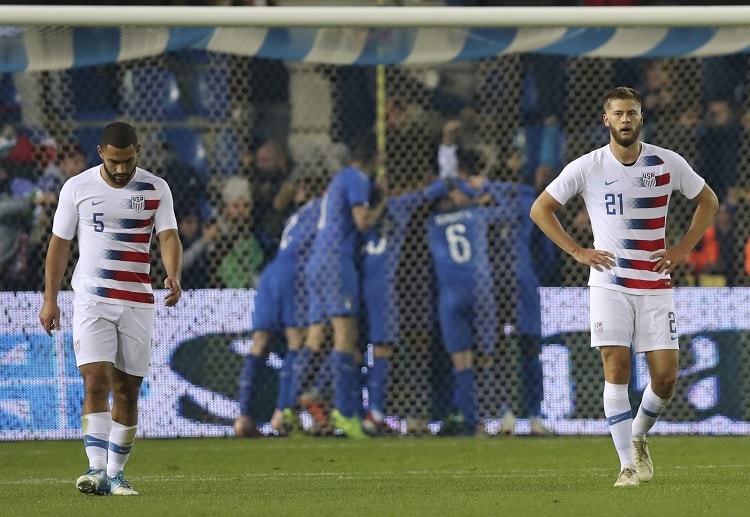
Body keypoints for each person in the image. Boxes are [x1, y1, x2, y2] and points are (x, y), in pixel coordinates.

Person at [529, 87, 718, 487]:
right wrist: (578, 251)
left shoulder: (667, 162)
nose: (625, 119)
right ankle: (627, 466)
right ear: (607, 120)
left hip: (655, 283)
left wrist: (683, 248)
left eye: (631, 112)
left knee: (665, 377)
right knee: (616, 367)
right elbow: (540, 209)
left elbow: (709, 200)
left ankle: (637, 435)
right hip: (609, 283)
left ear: (641, 117)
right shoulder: (588, 166)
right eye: (618, 113)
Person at [38, 121, 183, 496]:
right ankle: (96, 469)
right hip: (92, 300)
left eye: (128, 161)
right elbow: (59, 244)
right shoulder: (77, 188)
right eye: (114, 161)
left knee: (127, 391)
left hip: (136, 301)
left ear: (138, 152)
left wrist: (173, 273)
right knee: (95, 382)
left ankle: (116, 474)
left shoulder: (156, 188)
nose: (121, 169)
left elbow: (168, 235)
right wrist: (50, 298)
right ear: (101, 152)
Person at [299, 133, 387, 438]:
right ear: (374, 161)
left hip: (319, 260)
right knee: (345, 336)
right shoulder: (358, 179)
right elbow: (362, 221)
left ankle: (287, 406)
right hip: (338, 260)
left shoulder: (340, 179)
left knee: (315, 338)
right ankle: (345, 412)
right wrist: (382, 201)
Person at [233, 188, 321, 438]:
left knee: (259, 344)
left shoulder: (297, 214)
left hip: (271, 272)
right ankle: (281, 413)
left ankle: (243, 417)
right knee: (297, 341)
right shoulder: (327, 207)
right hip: (296, 273)